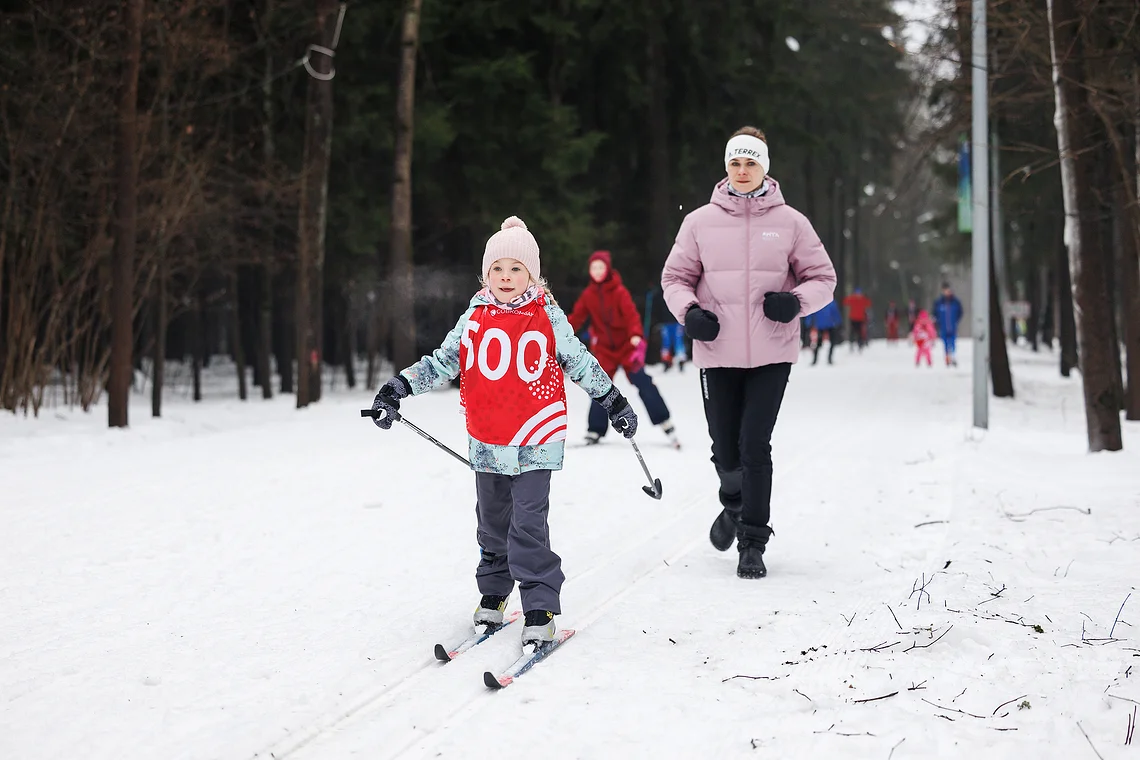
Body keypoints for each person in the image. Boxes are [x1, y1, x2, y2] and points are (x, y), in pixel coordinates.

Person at [369, 217, 638, 646]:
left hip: (536, 437)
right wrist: (397, 388)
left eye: (516, 269)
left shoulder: (547, 314)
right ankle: (494, 595)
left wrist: (613, 401)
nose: (506, 278)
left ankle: (539, 605)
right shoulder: (475, 315)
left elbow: (581, 362)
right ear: (486, 274)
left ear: (532, 274)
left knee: (528, 525)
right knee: (492, 525)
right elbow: (443, 361)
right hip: (489, 440)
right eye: (498, 269)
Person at [660, 125, 836, 579]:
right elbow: (674, 280)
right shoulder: (698, 222)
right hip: (717, 350)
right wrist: (689, 313)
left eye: (750, 162)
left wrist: (795, 302)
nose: (742, 171)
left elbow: (824, 279)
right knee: (725, 449)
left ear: (764, 168)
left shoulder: (792, 223)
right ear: (726, 167)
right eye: (735, 162)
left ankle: (752, 541)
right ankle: (734, 505)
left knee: (754, 445)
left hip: (772, 353)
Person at [568, 250, 679, 448]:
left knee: (643, 381)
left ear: (608, 269)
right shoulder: (588, 295)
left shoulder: (619, 292)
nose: (597, 271)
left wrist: (636, 334)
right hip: (605, 350)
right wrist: (563, 333)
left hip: (627, 348)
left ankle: (664, 421)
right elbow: (576, 318)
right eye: (594, 268)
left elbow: (631, 316)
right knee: (599, 386)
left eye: (601, 267)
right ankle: (595, 429)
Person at [932, 282, 964, 366]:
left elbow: (960, 312)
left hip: (953, 326)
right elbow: (935, 313)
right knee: (945, 342)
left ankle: (953, 356)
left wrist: (956, 320)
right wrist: (937, 322)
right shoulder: (939, 302)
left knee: (953, 341)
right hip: (943, 326)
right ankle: (947, 357)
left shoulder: (955, 302)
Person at [804, 300, 842, 365]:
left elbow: (811, 312)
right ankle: (822, 359)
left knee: (822, 343)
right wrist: (838, 322)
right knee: (824, 343)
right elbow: (836, 313)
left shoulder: (819, 301)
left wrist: (808, 322)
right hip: (825, 325)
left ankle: (820, 359)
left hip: (824, 325)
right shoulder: (830, 302)